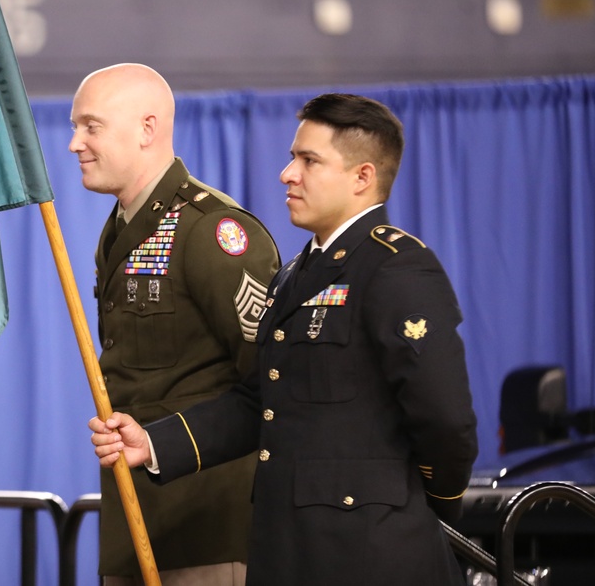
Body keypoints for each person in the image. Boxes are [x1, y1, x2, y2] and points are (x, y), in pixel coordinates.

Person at [90, 93, 479, 585]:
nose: (287, 173)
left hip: (369, 549)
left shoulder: (395, 266)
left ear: (362, 177)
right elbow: (262, 402)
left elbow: (444, 417)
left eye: (309, 160)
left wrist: (426, 502)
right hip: (287, 547)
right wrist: (152, 441)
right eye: (294, 157)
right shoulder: (294, 276)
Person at [69, 63, 281, 585]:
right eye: (77, 126)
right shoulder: (120, 230)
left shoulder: (212, 231)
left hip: (205, 527)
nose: (75, 142)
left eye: (91, 126)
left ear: (147, 128)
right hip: (135, 518)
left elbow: (274, 385)